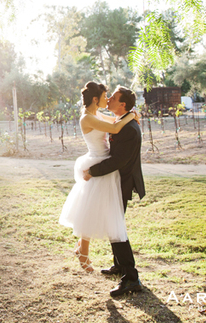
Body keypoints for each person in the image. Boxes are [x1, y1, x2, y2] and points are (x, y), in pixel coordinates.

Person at [58, 81, 137, 273]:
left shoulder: (97, 114)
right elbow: (116, 128)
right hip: (97, 162)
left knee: (95, 208)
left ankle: (82, 248)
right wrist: (132, 115)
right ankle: (83, 253)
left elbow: (115, 121)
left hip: (104, 161)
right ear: (95, 99)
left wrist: (129, 115)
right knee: (92, 208)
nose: (107, 99)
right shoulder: (87, 118)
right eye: (104, 96)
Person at [83, 85, 145, 297]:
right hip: (116, 180)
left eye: (113, 98)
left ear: (122, 104)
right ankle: (119, 266)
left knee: (116, 227)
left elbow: (118, 160)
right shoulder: (123, 120)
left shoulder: (128, 129)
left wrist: (93, 171)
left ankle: (131, 278)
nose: (108, 99)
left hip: (122, 182)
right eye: (106, 96)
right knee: (113, 224)